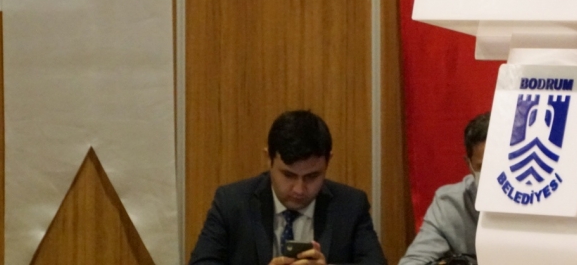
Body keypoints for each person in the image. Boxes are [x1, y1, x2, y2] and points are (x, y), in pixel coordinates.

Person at [189, 110, 387, 265]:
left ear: (328, 161)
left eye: (312, 176)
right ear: (269, 159)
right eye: (288, 175)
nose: (299, 190)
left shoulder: (351, 205)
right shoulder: (232, 202)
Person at [399, 113, 488, 265]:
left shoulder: (533, 201)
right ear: (469, 164)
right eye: (483, 166)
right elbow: (412, 262)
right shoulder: (450, 203)